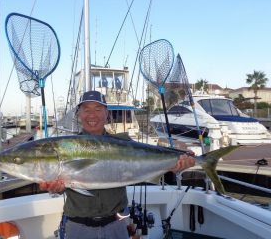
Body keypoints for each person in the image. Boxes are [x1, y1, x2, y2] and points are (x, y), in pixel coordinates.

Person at [39, 90, 195, 239]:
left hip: (118, 223)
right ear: (78, 114)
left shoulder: (123, 143)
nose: (92, 114)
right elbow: (62, 183)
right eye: (86, 109)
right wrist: (57, 189)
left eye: (98, 109)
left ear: (107, 113)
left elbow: (150, 160)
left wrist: (176, 162)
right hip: (78, 224)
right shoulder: (67, 147)